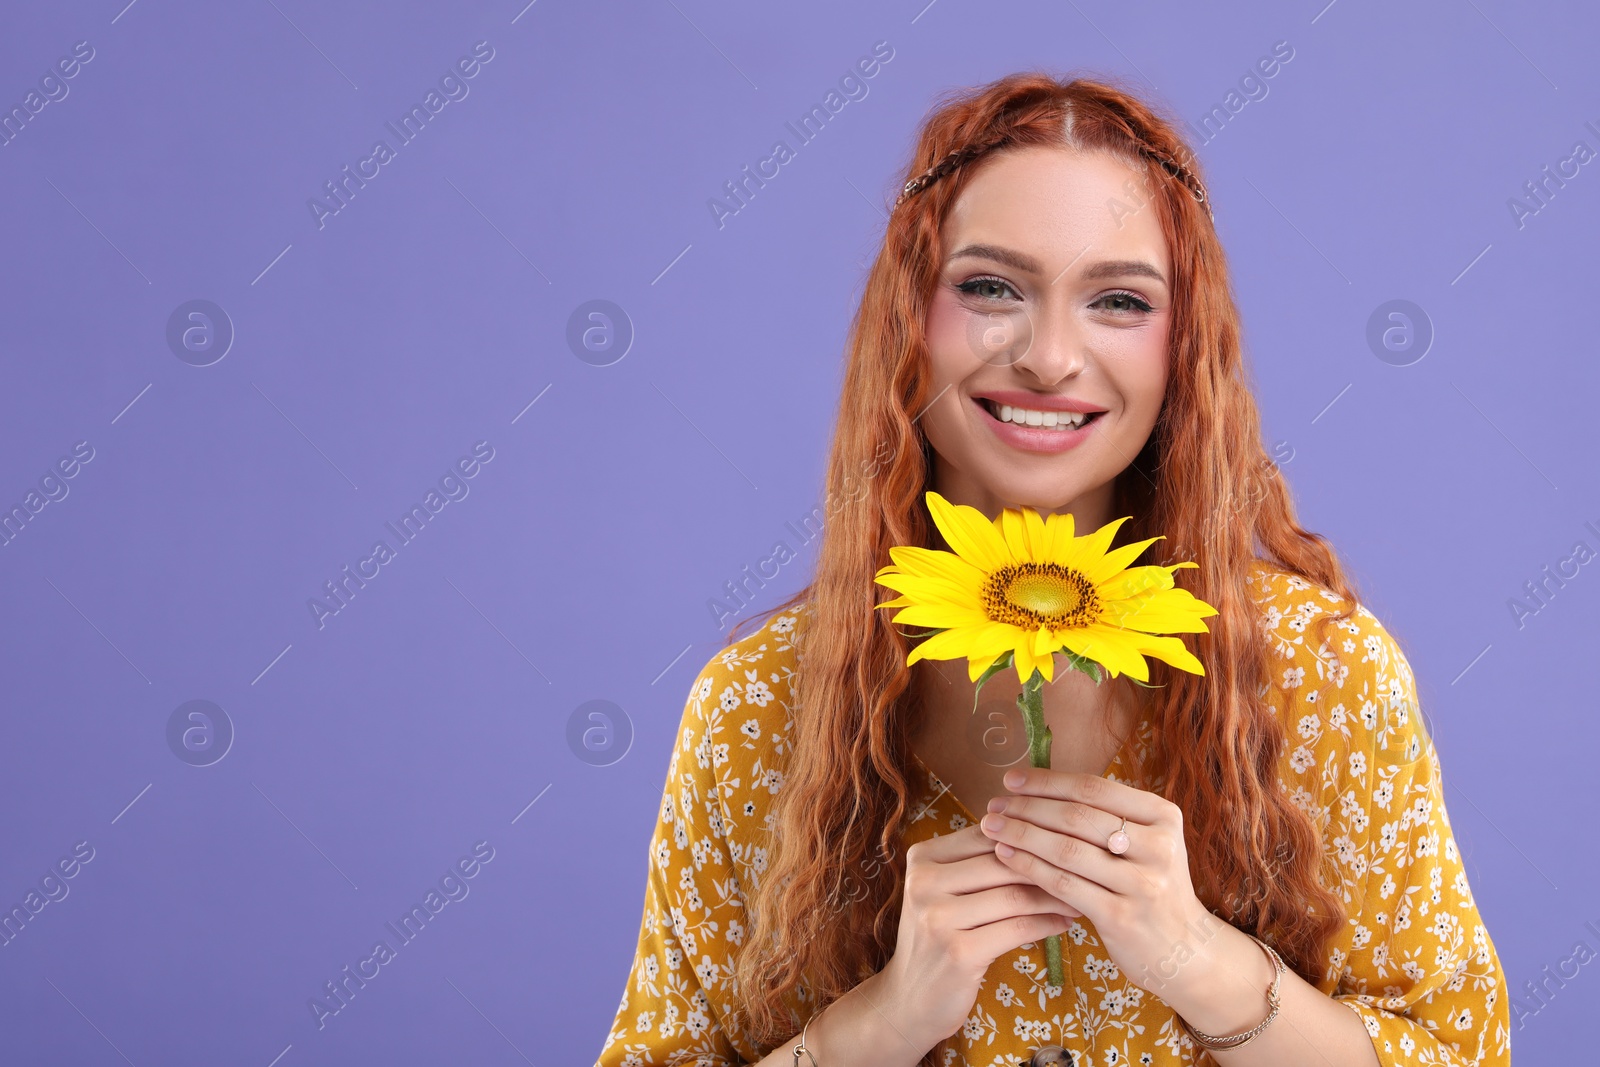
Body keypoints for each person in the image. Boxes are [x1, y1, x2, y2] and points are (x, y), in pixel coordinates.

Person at [594, 72, 1510, 1067]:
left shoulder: (1323, 675)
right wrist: (880, 1023)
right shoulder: (756, 704)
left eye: (1118, 299)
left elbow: (1459, 1050)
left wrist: (1203, 963)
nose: (1050, 355)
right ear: (910, 315)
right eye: (990, 287)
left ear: (1183, 345)